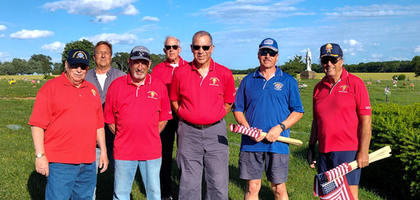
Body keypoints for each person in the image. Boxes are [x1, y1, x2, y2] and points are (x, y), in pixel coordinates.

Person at [29, 49, 108, 199]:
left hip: (88, 161)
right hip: (60, 163)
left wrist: (103, 152)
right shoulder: (50, 88)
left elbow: (99, 124)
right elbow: (37, 125)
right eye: (74, 65)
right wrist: (40, 155)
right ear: (66, 65)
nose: (79, 70)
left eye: (83, 66)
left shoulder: (92, 90)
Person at [233, 38, 304, 200]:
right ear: (258, 55)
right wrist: (248, 130)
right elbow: (237, 109)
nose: (267, 55)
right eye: (264, 52)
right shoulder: (247, 81)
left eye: (271, 52)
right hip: (251, 142)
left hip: (278, 142)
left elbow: (298, 111)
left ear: (277, 56)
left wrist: (280, 127)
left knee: (278, 188)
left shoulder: (288, 81)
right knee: (252, 187)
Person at [170, 30, 236, 200]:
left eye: (205, 47)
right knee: (188, 184)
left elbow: (229, 102)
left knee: (218, 181)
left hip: (216, 132)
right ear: (191, 48)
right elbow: (175, 100)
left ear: (212, 48)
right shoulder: (180, 72)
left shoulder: (224, 73)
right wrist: (185, 115)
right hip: (188, 132)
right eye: (197, 47)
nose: (201, 51)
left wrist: (216, 115)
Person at [104, 45, 172, 200]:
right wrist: (126, 134)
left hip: (151, 150)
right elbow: (110, 120)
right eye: (136, 62)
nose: (139, 67)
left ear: (149, 64)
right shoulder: (116, 86)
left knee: (154, 193)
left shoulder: (159, 86)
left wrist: (149, 134)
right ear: (129, 63)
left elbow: (163, 118)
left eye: (143, 63)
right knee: (121, 193)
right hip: (124, 151)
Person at [307, 43, 372, 200]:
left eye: (333, 60)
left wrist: (363, 151)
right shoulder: (318, 88)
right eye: (325, 60)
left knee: (349, 196)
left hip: (348, 151)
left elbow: (366, 120)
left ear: (341, 61)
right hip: (324, 151)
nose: (329, 64)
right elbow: (316, 121)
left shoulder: (355, 83)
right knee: (328, 195)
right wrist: (311, 146)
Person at [85, 40, 125, 199]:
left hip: (117, 135)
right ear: (94, 57)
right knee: (88, 179)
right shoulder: (85, 76)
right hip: (90, 137)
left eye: (106, 52)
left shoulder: (121, 77)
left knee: (121, 177)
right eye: (99, 53)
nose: (103, 55)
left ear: (111, 56)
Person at [151, 36, 187, 200]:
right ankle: (165, 192)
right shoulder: (158, 69)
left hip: (184, 116)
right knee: (165, 155)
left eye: (174, 47)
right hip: (164, 116)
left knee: (185, 155)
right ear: (164, 50)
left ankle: (185, 190)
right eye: (168, 47)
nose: (171, 50)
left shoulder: (189, 67)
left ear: (179, 49)